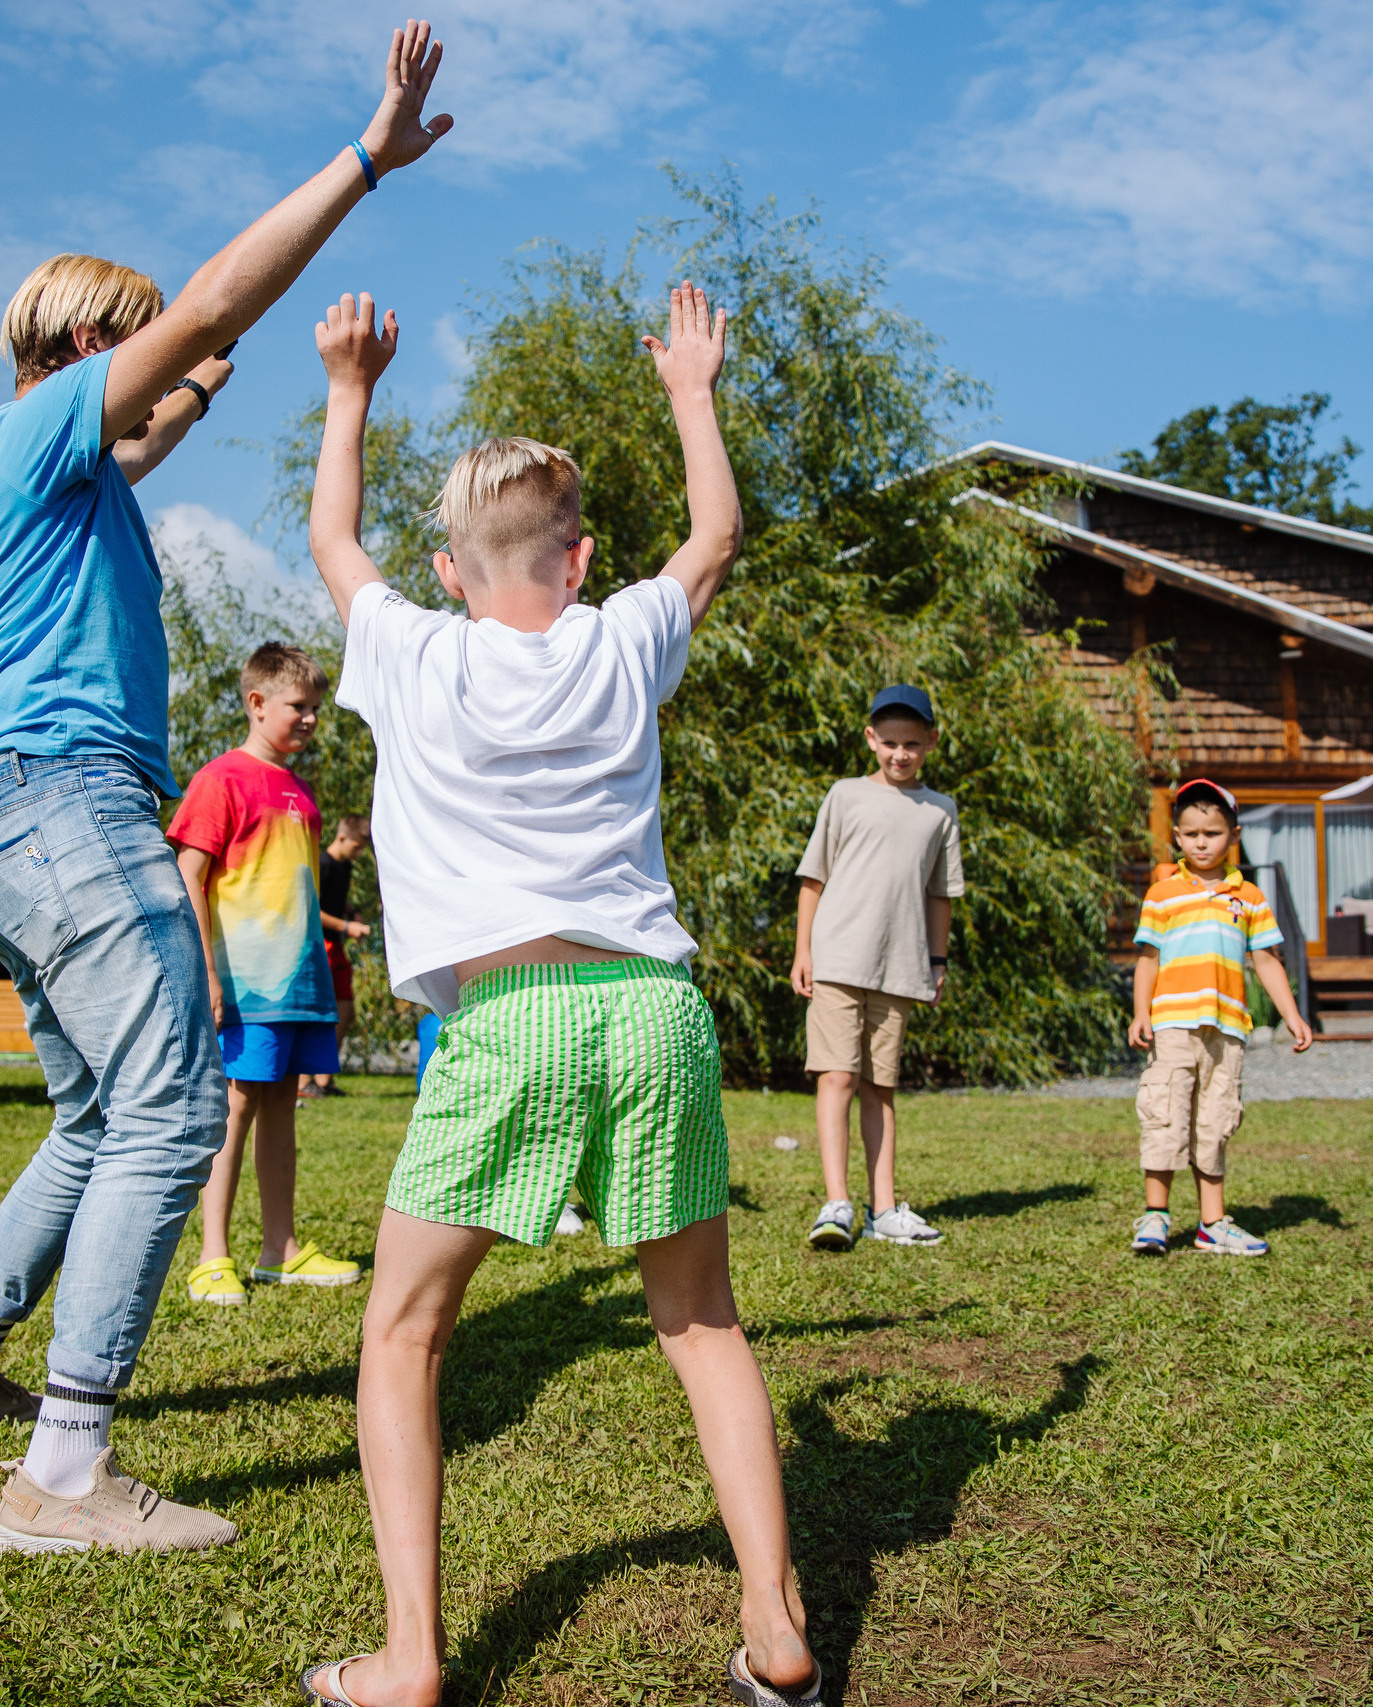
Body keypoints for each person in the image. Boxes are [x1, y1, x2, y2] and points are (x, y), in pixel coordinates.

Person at [0, 25, 453, 1557]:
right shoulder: (33, 429)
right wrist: (363, 164)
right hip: (69, 806)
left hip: (5, 821)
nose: (155, 384)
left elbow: (180, 382)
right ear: (76, 354)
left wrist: (226, 372)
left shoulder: (28, 473)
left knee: (87, 1113)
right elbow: (203, 302)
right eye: (128, 359)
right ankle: (64, 1475)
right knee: (172, 1104)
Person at [296, 283, 820, 1707]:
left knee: (405, 1333)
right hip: (653, 1005)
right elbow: (714, 535)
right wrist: (692, 393)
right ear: (580, 560)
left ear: (454, 571)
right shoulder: (623, 637)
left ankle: (411, 1656)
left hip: (513, 1016)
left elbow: (334, 538)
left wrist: (350, 386)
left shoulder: (409, 651)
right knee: (702, 1320)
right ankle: (778, 1628)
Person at [171, 643, 364, 1305]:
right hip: (247, 983)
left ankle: (278, 1249)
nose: (310, 719)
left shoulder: (302, 793)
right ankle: (212, 1254)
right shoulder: (221, 779)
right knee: (238, 1104)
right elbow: (189, 877)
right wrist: (208, 975)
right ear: (256, 704)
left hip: (302, 981)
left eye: (316, 708)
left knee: (284, 1103)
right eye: (297, 706)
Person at [788, 686, 962, 1252]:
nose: (900, 754)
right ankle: (836, 1203)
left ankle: (884, 1207)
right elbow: (813, 877)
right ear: (871, 740)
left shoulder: (941, 810)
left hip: (901, 966)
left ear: (931, 742)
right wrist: (803, 951)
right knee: (836, 1077)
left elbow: (942, 895)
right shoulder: (844, 796)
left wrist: (936, 961)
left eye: (912, 744)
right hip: (837, 959)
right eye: (889, 743)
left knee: (879, 1086)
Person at [1126, 778, 1311, 1258]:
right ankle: (1156, 1217)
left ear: (1233, 835)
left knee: (1215, 1119)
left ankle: (1212, 1224)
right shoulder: (1163, 893)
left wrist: (1291, 1013)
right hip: (1172, 1023)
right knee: (1165, 1114)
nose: (1200, 842)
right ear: (1178, 838)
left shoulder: (1248, 896)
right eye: (1190, 834)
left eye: (1211, 833)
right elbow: (1147, 957)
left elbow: (1267, 960)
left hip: (1227, 1029)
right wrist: (1139, 1013)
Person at [303, 813, 374, 1099]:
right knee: (316, 1013)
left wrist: (351, 911)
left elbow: (335, 898)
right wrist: (348, 926)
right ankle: (303, 1081)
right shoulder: (322, 864)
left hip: (337, 946)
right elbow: (311, 909)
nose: (358, 854)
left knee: (344, 1010)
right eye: (356, 847)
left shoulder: (344, 866)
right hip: (318, 946)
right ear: (342, 837)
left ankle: (323, 1080)